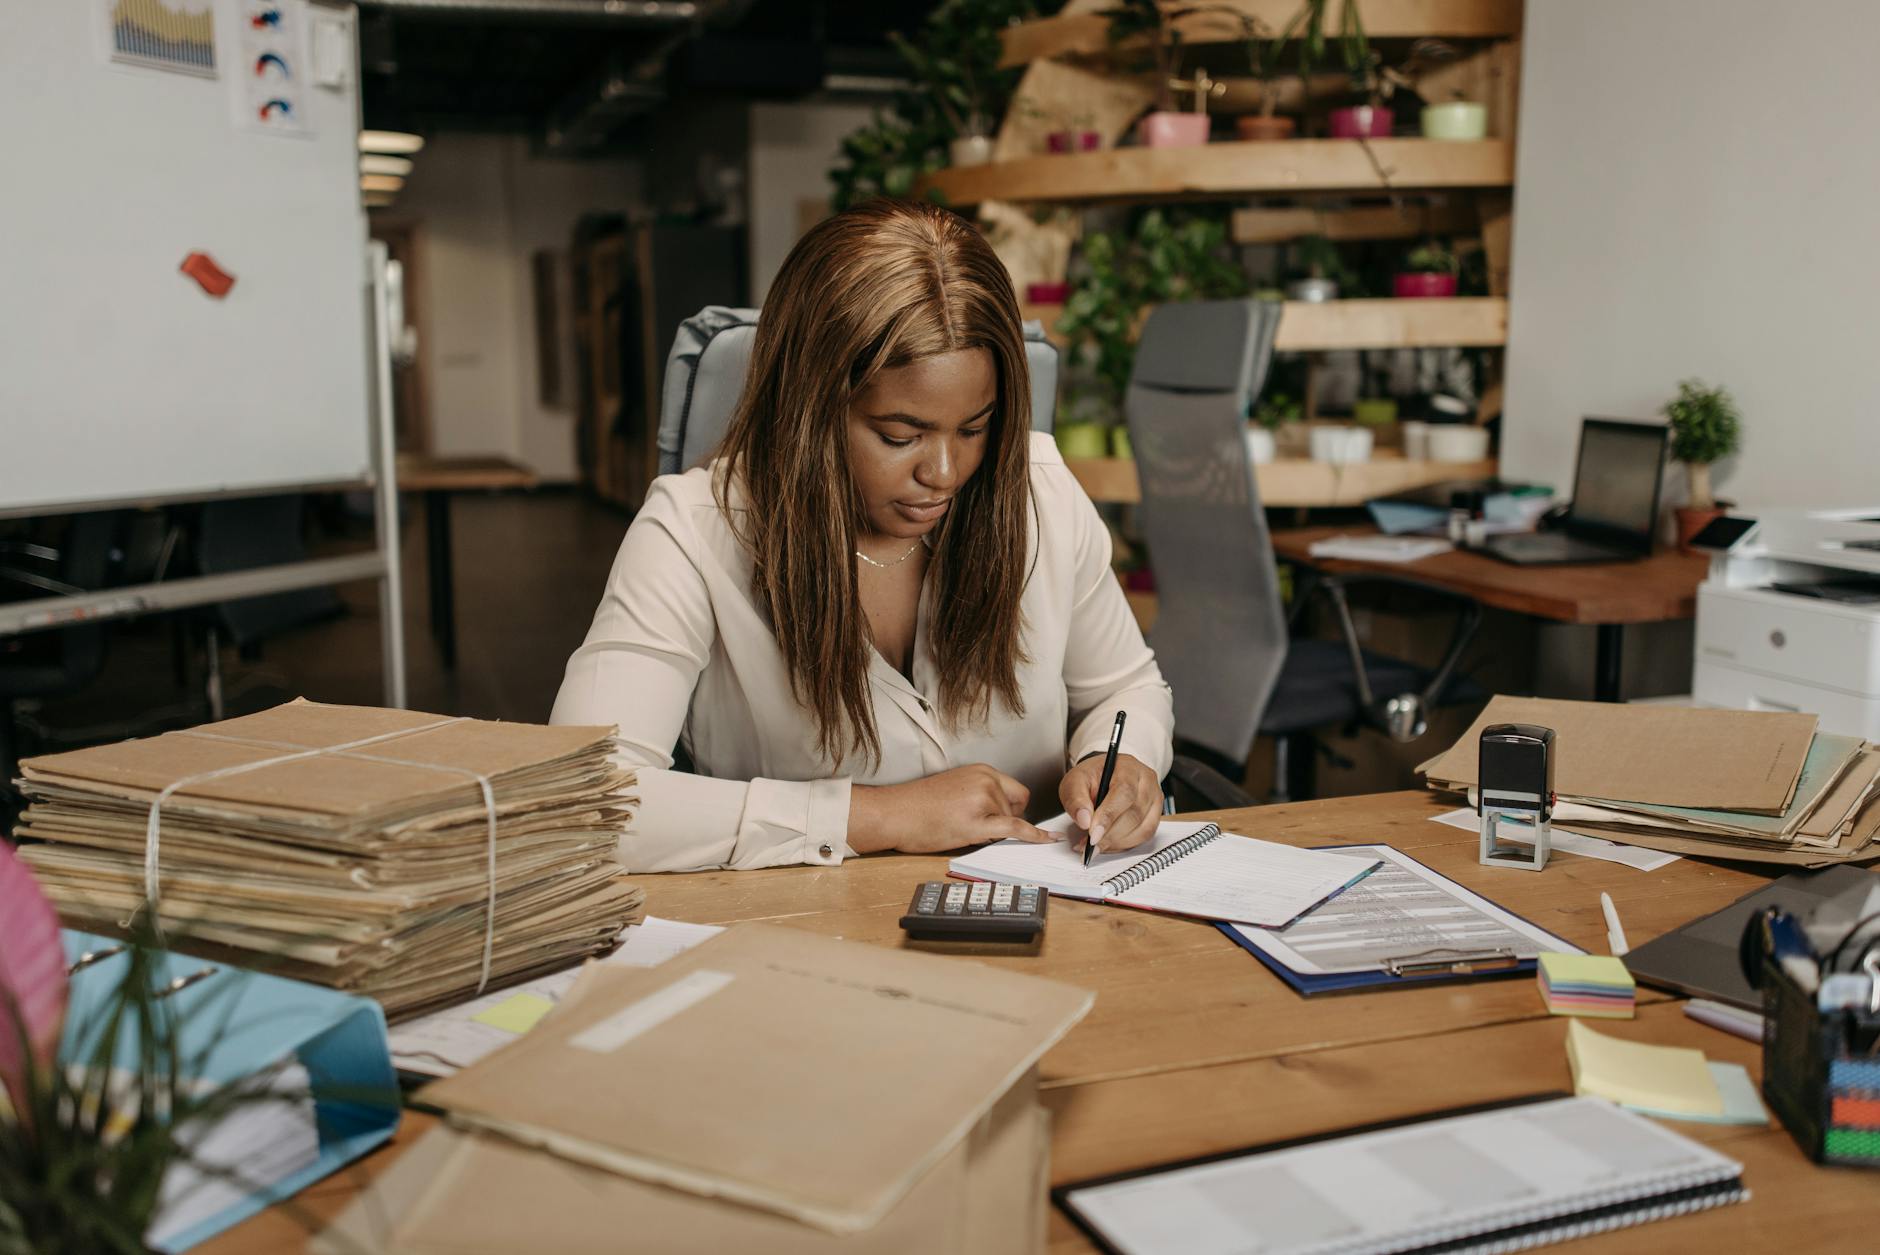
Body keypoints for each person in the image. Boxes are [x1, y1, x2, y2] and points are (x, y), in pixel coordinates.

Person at [551, 199, 1174, 873]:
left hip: (1052, 923)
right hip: (802, 942)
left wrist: (1124, 761)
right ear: (809, 409)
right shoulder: (692, 530)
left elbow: (1127, 688)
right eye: (899, 435)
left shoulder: (1038, 491)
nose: (944, 473)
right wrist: (877, 814)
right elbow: (580, 807)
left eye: (974, 428)